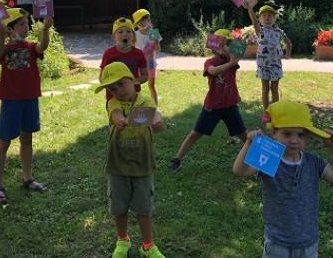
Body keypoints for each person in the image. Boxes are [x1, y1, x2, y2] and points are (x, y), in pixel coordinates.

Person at [233, 100, 333, 258]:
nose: (294, 140)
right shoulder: (270, 158)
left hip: (307, 243)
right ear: (274, 133)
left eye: (301, 135)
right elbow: (240, 171)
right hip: (277, 243)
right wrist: (248, 143)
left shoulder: (313, 162)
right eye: (287, 134)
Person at [95, 62, 166, 258]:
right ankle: (122, 240)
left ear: (133, 81)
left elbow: (157, 119)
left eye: (121, 84)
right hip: (117, 164)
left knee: (144, 208)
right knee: (119, 207)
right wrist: (120, 121)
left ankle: (148, 245)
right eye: (112, 88)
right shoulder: (113, 103)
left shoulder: (145, 101)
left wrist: (158, 122)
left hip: (143, 163)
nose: (117, 90)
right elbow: (116, 115)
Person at [0, 7, 52, 204]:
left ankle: (27, 179)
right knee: (4, 142)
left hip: (30, 99)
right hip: (11, 101)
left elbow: (42, 47)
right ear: (10, 28)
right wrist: (0, 34)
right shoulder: (7, 49)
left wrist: (46, 30)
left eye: (27, 24)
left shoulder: (30, 47)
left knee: (27, 138)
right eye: (21, 24)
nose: (26, 27)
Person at [168, 29, 247, 172]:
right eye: (220, 44)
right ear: (213, 45)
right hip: (213, 106)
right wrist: (228, 59)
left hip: (230, 106)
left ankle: (259, 163)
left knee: (244, 136)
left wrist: (229, 49)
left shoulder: (232, 60)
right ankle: (177, 159)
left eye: (227, 44)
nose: (223, 47)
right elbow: (213, 71)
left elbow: (235, 57)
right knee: (195, 134)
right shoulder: (210, 61)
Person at [245, 3, 292, 110]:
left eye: (270, 16)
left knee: (274, 89)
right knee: (265, 89)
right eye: (264, 16)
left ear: (274, 18)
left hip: (276, 65)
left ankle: (275, 110)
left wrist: (288, 53)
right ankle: (266, 112)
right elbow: (253, 21)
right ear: (260, 19)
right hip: (263, 66)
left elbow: (289, 43)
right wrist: (250, 8)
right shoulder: (260, 31)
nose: (267, 18)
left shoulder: (279, 32)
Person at [100, 17, 148, 103]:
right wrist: (113, 87)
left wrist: (133, 82)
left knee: (134, 116)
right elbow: (101, 77)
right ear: (114, 37)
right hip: (114, 98)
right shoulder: (109, 54)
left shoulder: (139, 54)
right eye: (120, 32)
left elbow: (145, 76)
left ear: (133, 36)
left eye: (128, 31)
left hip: (134, 96)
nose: (125, 34)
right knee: (117, 116)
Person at [133, 8, 161, 105]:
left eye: (142, 20)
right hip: (138, 65)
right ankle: (135, 105)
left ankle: (155, 107)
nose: (140, 23)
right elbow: (132, 49)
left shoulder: (153, 33)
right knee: (136, 86)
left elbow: (158, 49)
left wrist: (155, 40)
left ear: (148, 19)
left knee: (151, 85)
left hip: (150, 64)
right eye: (138, 22)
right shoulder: (134, 35)